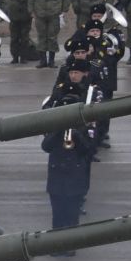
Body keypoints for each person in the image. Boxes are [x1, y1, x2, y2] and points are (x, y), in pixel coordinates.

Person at [40, 87, 96, 243]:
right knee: (57, 216)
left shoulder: (85, 126)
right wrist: (58, 131)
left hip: (74, 178)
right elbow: (45, 146)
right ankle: (56, 245)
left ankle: (71, 245)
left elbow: (89, 150)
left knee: (72, 216)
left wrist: (77, 136)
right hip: (57, 179)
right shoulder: (54, 126)